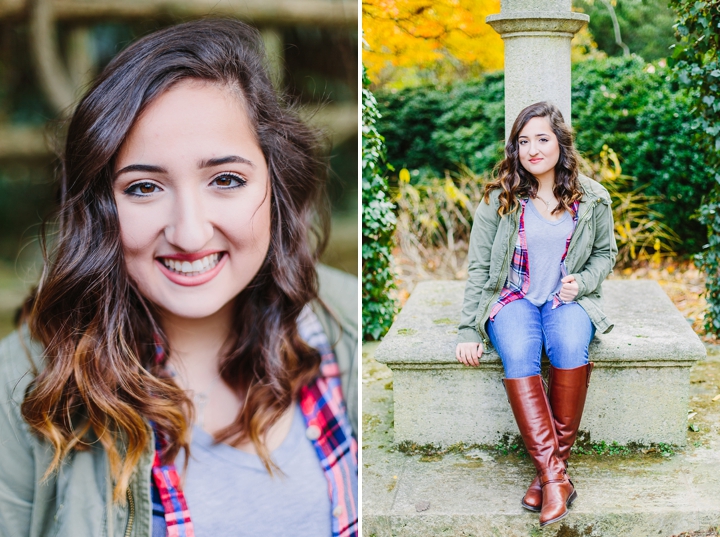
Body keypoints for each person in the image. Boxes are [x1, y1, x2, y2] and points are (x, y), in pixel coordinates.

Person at [0, 19, 358, 537]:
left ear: (275, 184)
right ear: (100, 207)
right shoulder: (19, 387)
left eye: (226, 180)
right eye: (144, 187)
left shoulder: (343, 321)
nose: (189, 233)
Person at [455, 101, 617, 527]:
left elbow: (605, 254)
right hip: (513, 298)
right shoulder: (500, 198)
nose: (532, 149)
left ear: (560, 144)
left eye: (542, 139)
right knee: (519, 354)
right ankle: (555, 476)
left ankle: (549, 475)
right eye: (523, 141)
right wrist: (469, 327)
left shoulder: (593, 198)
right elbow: (477, 267)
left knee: (568, 347)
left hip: (569, 301)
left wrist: (582, 281)